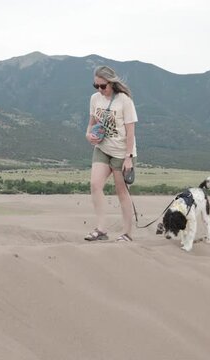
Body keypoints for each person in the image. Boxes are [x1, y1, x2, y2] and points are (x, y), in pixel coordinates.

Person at [83, 65, 138, 242]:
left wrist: (128, 158)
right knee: (95, 184)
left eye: (103, 86)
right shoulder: (94, 99)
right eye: (96, 86)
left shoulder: (124, 101)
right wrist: (88, 134)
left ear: (112, 83)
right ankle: (101, 229)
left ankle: (127, 233)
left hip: (122, 153)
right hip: (102, 148)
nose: (100, 89)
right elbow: (91, 122)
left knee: (121, 191)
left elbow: (131, 132)